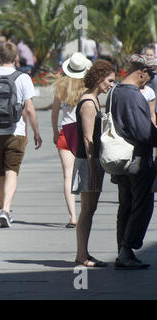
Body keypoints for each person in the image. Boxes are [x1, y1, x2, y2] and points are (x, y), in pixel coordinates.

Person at [0, 42, 42, 227]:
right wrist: (36, 132)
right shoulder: (23, 78)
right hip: (15, 130)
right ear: (16, 58)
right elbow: (29, 108)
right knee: (11, 170)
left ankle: (2, 204)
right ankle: (6, 209)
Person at [109, 55, 157, 270]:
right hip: (137, 160)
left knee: (125, 205)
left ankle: (122, 250)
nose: (150, 80)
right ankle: (127, 249)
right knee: (142, 205)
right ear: (142, 72)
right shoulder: (133, 96)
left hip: (120, 159)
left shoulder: (115, 91)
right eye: (151, 75)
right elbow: (144, 132)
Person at [72, 59, 116, 267]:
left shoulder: (94, 100)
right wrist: (92, 168)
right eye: (109, 80)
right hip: (88, 161)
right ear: (99, 79)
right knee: (87, 209)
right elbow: (88, 139)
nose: (111, 85)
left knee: (90, 209)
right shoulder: (89, 103)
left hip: (93, 161)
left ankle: (84, 253)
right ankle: (82, 255)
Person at [51, 52, 92, 228]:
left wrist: (54, 131)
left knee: (68, 175)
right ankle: (85, 211)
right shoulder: (88, 87)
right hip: (83, 130)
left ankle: (72, 216)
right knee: (85, 173)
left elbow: (54, 113)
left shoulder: (61, 86)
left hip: (66, 130)